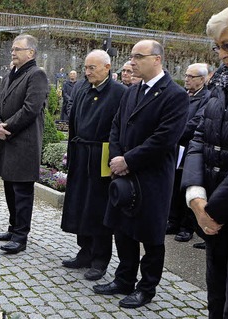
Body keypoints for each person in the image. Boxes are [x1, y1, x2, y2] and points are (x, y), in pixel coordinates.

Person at [93, 40, 188, 309]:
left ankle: (146, 288)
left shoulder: (174, 95)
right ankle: (124, 279)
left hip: (151, 178)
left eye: (138, 57)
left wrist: (128, 160)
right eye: (131, 57)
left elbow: (165, 139)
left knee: (150, 234)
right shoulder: (132, 91)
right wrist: (116, 157)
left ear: (157, 59)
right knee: (123, 229)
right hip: (123, 174)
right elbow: (116, 126)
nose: (132, 62)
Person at [181, 2, 228, 316]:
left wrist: (214, 211)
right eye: (217, 47)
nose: (222, 55)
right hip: (216, 220)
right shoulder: (223, 82)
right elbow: (200, 136)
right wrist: (195, 195)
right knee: (218, 302)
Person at [61, 50, 126, 281]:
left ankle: (100, 259)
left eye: (92, 68)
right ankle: (84, 252)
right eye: (86, 67)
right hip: (81, 154)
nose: (87, 72)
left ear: (107, 67)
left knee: (98, 208)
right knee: (80, 204)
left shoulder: (119, 92)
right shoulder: (81, 88)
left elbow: (120, 129)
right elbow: (73, 124)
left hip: (102, 155)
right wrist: (71, 153)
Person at [0, 34, 48, 254]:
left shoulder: (37, 75)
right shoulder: (8, 76)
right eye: (13, 49)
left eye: (18, 49)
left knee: (22, 191)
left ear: (30, 53)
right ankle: (13, 227)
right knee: (9, 188)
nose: (13, 52)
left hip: (24, 142)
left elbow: (31, 109)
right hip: (7, 139)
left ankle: (21, 235)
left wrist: (7, 127)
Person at [167, 63, 211, 244]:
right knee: (174, 185)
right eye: (186, 75)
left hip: (190, 148)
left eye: (191, 76)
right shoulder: (184, 95)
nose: (186, 79)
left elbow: (196, 122)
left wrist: (174, 132)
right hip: (177, 147)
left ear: (202, 79)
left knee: (187, 186)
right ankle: (173, 221)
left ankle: (187, 227)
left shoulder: (207, 98)